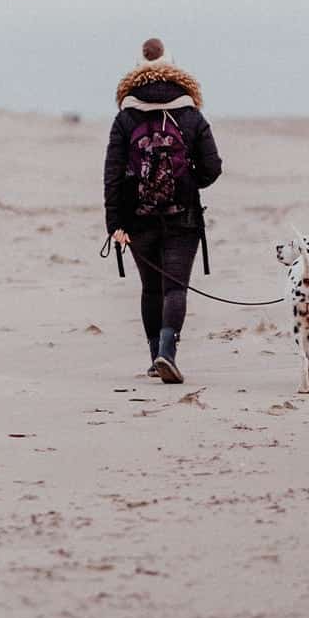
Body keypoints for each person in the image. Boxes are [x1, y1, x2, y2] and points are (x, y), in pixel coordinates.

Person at [104, 38, 222, 384]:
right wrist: (189, 184)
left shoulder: (125, 117)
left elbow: (112, 174)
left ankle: (155, 355)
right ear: (174, 68)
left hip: (137, 219)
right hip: (183, 216)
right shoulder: (190, 113)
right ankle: (167, 353)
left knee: (151, 289)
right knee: (175, 288)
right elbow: (213, 167)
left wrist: (115, 223)